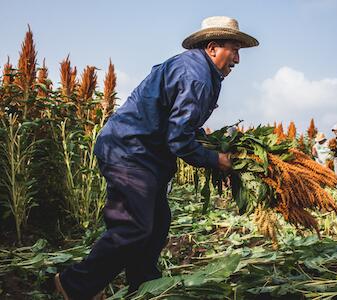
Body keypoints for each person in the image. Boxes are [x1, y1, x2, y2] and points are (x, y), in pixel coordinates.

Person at [54, 16, 259, 299]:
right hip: (129, 151)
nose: (237, 58)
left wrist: (209, 144)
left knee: (157, 224)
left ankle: (143, 286)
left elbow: (184, 124)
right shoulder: (196, 77)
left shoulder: (200, 72)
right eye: (233, 50)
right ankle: (75, 284)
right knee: (135, 226)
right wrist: (217, 160)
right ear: (213, 47)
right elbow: (178, 139)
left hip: (145, 156)